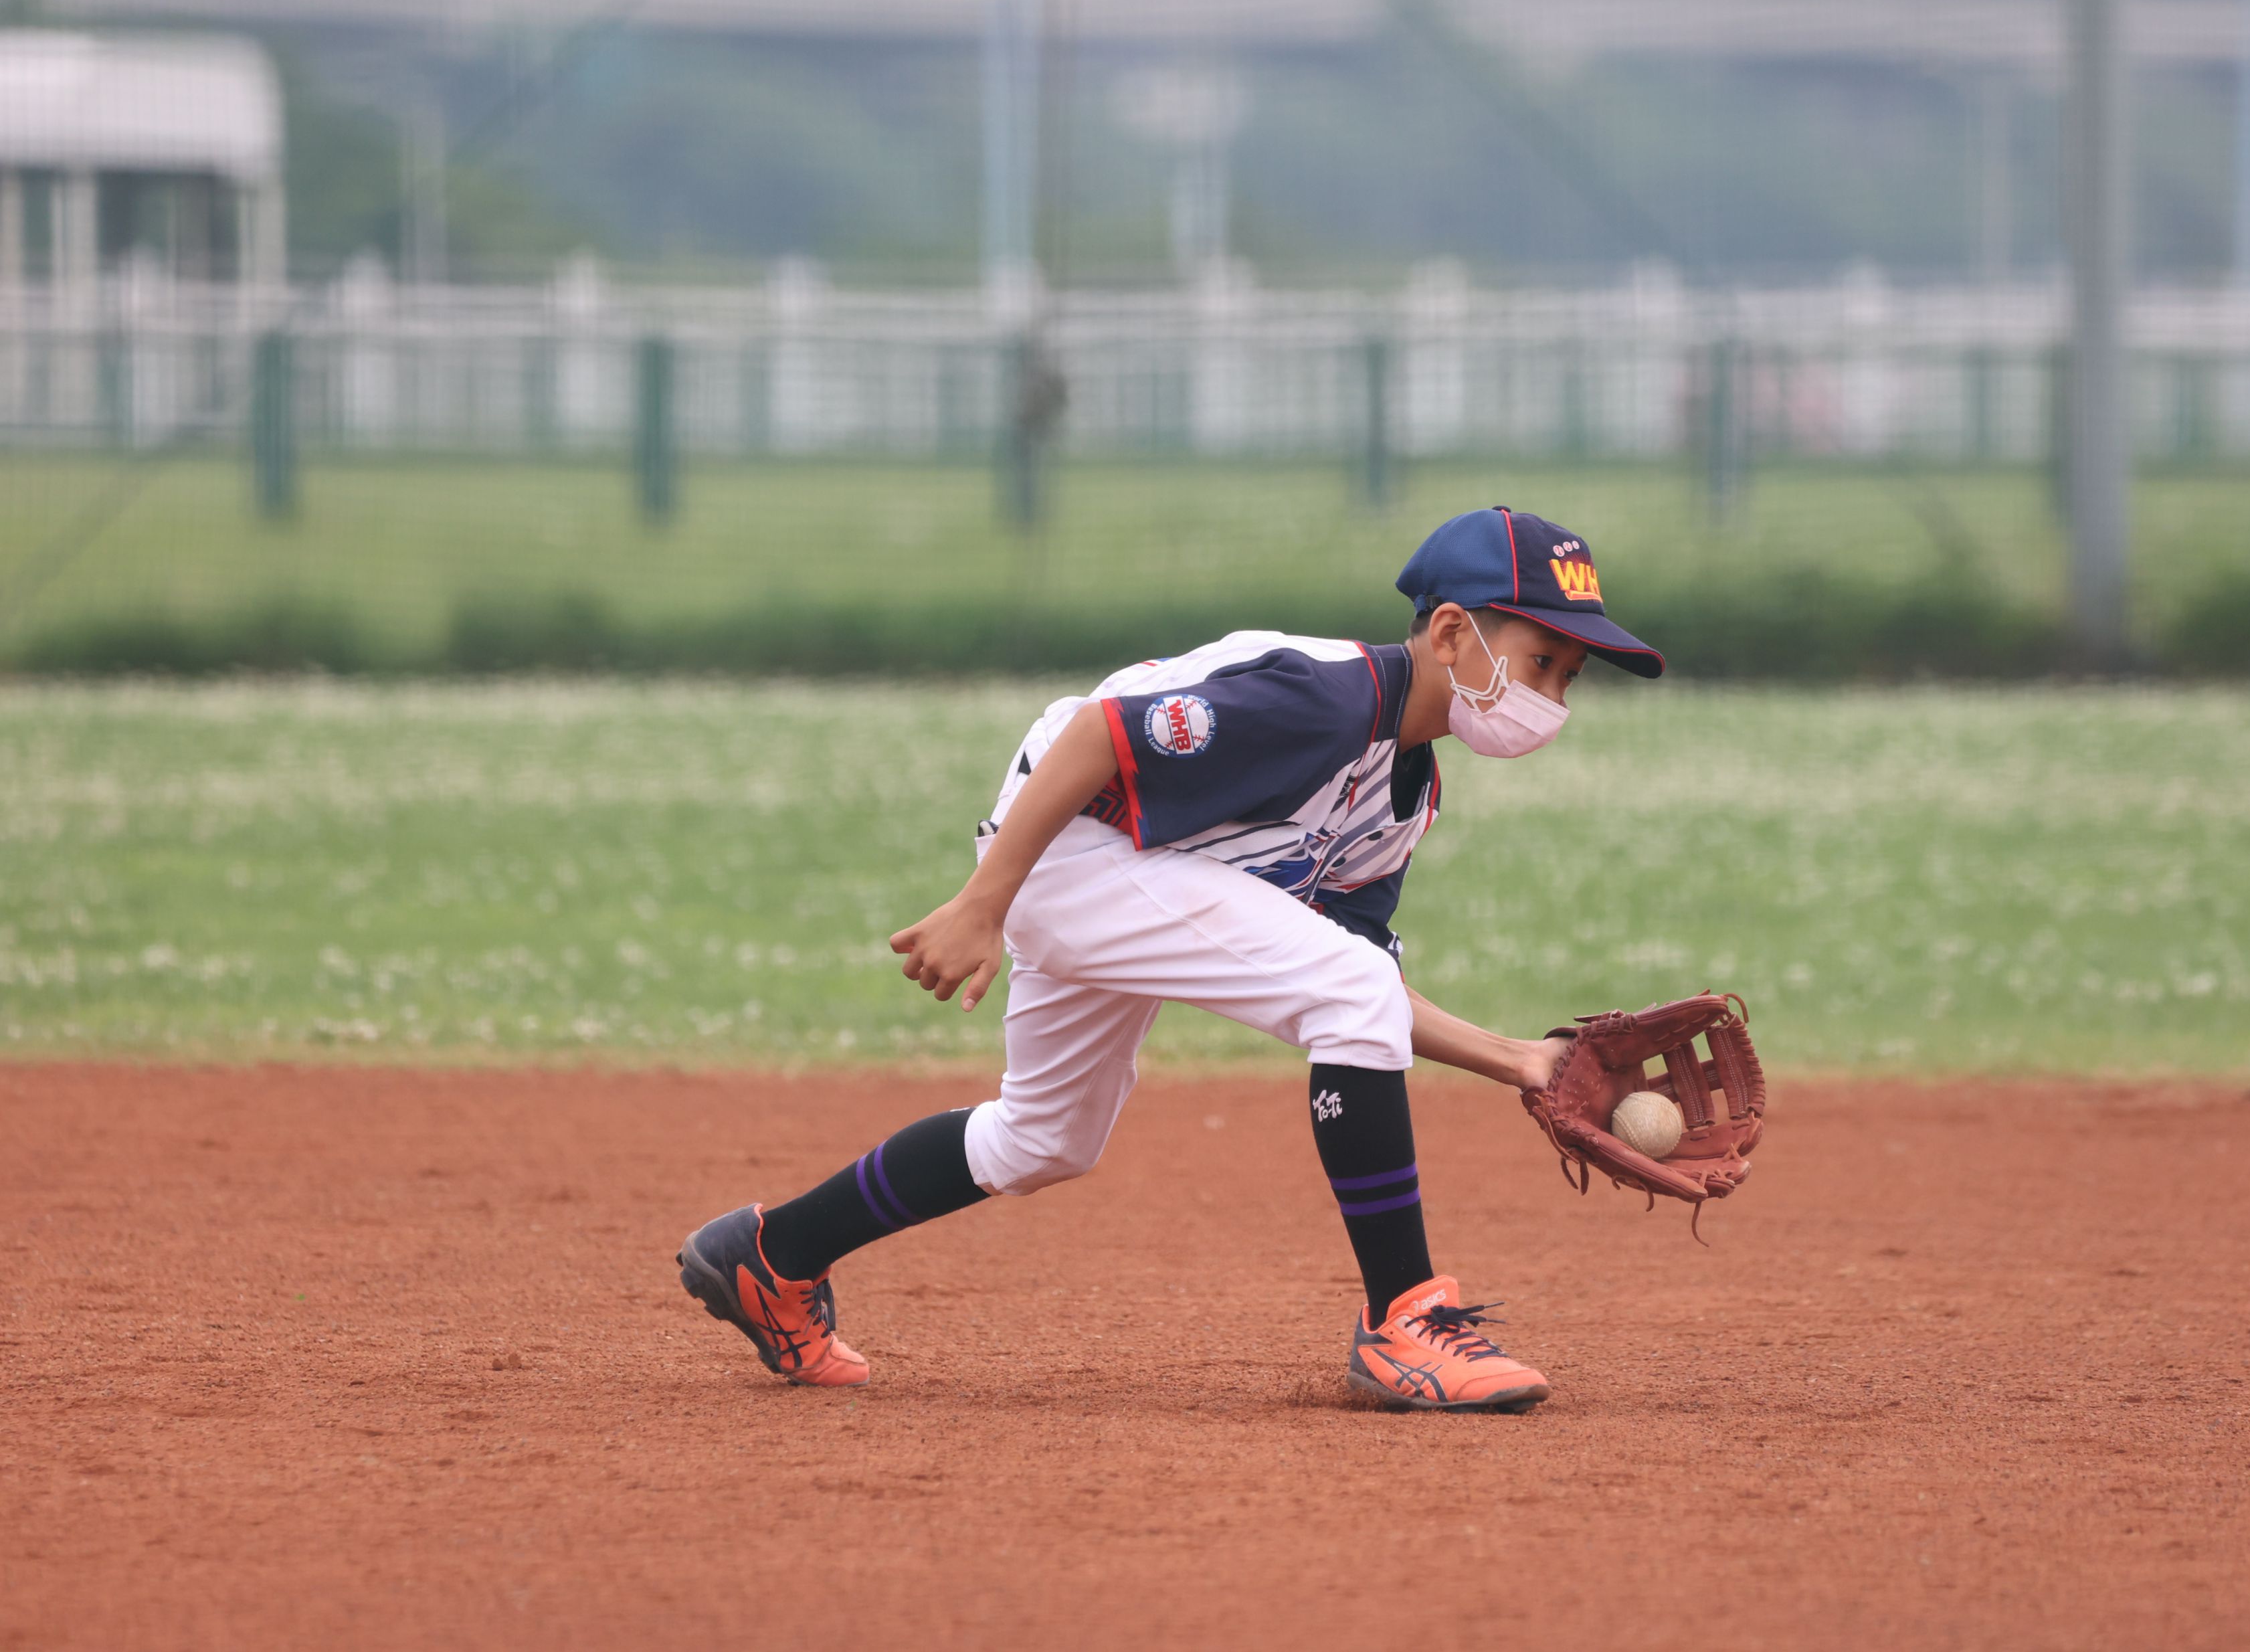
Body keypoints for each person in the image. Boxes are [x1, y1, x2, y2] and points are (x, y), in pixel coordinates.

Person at [678, 506, 1664, 1410]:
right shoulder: (1326, 699)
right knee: (1343, 991)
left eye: (1569, 677)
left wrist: (1522, 1060)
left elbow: (1364, 981)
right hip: (1066, 844)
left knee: (1045, 1138)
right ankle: (1403, 1318)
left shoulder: (1403, 799)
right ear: (1449, 633)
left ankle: (773, 1255)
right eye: (1541, 660)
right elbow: (1097, 736)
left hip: (1126, 872)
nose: (1552, 696)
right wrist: (986, 901)